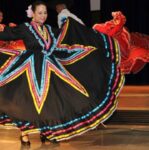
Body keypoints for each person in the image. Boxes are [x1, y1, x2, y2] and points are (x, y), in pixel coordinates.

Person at [0, 0, 124, 147]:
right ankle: (24, 134)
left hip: (51, 68)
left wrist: (74, 27)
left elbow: (67, 35)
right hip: (30, 69)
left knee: (50, 104)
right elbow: (6, 34)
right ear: (32, 14)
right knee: (28, 104)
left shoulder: (49, 29)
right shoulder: (25, 28)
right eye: (39, 13)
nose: (43, 16)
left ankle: (46, 131)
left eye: (45, 12)